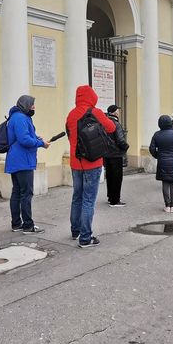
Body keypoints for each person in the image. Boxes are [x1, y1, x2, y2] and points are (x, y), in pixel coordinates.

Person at [65, 85, 116, 247]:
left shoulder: (71, 114)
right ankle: (86, 238)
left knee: (77, 196)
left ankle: (75, 231)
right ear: (92, 96)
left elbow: (69, 133)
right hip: (92, 162)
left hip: (75, 162)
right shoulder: (96, 112)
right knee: (88, 200)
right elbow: (112, 128)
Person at [5, 95, 50, 233]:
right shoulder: (20, 118)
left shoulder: (16, 117)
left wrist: (36, 137)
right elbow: (24, 140)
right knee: (26, 193)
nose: (34, 107)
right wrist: (41, 143)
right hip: (22, 161)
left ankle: (16, 224)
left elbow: (22, 136)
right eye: (32, 105)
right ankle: (28, 225)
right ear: (25, 105)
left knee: (17, 192)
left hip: (16, 160)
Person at [149, 115, 173, 213]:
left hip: (162, 161)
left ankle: (167, 205)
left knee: (165, 183)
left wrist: (158, 155)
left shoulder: (156, 134)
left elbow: (152, 149)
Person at [103, 104, 130, 207]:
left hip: (107, 154)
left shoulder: (105, 122)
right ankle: (115, 201)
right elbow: (120, 140)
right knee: (117, 178)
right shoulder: (116, 124)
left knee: (109, 177)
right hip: (116, 154)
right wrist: (126, 147)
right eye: (118, 110)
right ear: (114, 112)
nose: (119, 112)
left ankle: (110, 197)